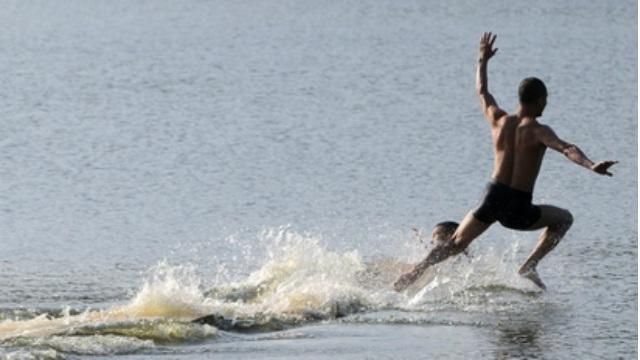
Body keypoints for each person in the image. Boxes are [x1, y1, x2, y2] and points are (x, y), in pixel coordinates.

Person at [394, 32, 617, 291]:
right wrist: (591, 165)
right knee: (564, 219)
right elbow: (567, 148)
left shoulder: (498, 119)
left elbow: (482, 91)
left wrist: (482, 61)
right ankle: (529, 265)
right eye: (545, 100)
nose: (547, 104)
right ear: (536, 100)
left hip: (492, 195)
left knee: (455, 244)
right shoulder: (538, 130)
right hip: (517, 206)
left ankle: (413, 273)